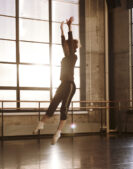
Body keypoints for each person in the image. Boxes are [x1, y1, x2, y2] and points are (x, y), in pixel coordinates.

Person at [33, 16, 79, 145]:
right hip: (63, 84)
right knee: (53, 104)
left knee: (63, 108)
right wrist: (61, 31)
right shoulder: (66, 56)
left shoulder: (73, 57)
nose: (66, 47)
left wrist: (69, 27)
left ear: (72, 48)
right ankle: (41, 123)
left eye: (69, 46)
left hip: (70, 85)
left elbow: (68, 43)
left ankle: (58, 133)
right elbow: (64, 44)